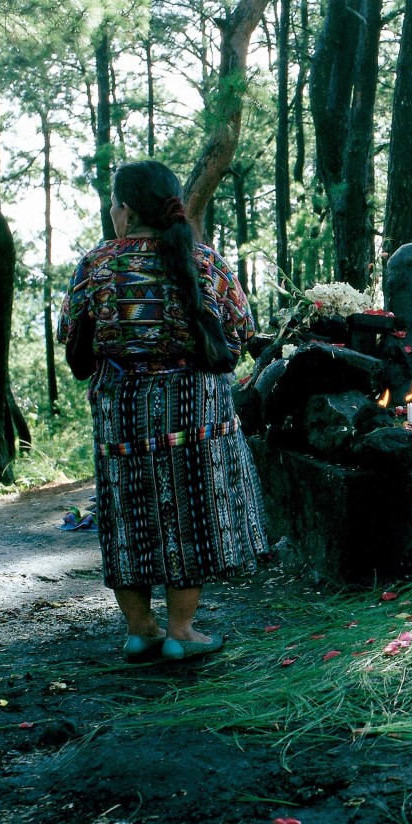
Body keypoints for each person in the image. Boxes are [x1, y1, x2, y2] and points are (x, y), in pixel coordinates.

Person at [57, 160, 268, 661]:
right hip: (194, 410)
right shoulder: (205, 262)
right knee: (189, 514)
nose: (112, 212)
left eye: (114, 203)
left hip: (121, 411)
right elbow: (240, 330)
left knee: (127, 515)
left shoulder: (96, 265)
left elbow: (73, 343)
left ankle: (140, 629)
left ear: (126, 211)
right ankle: (182, 631)